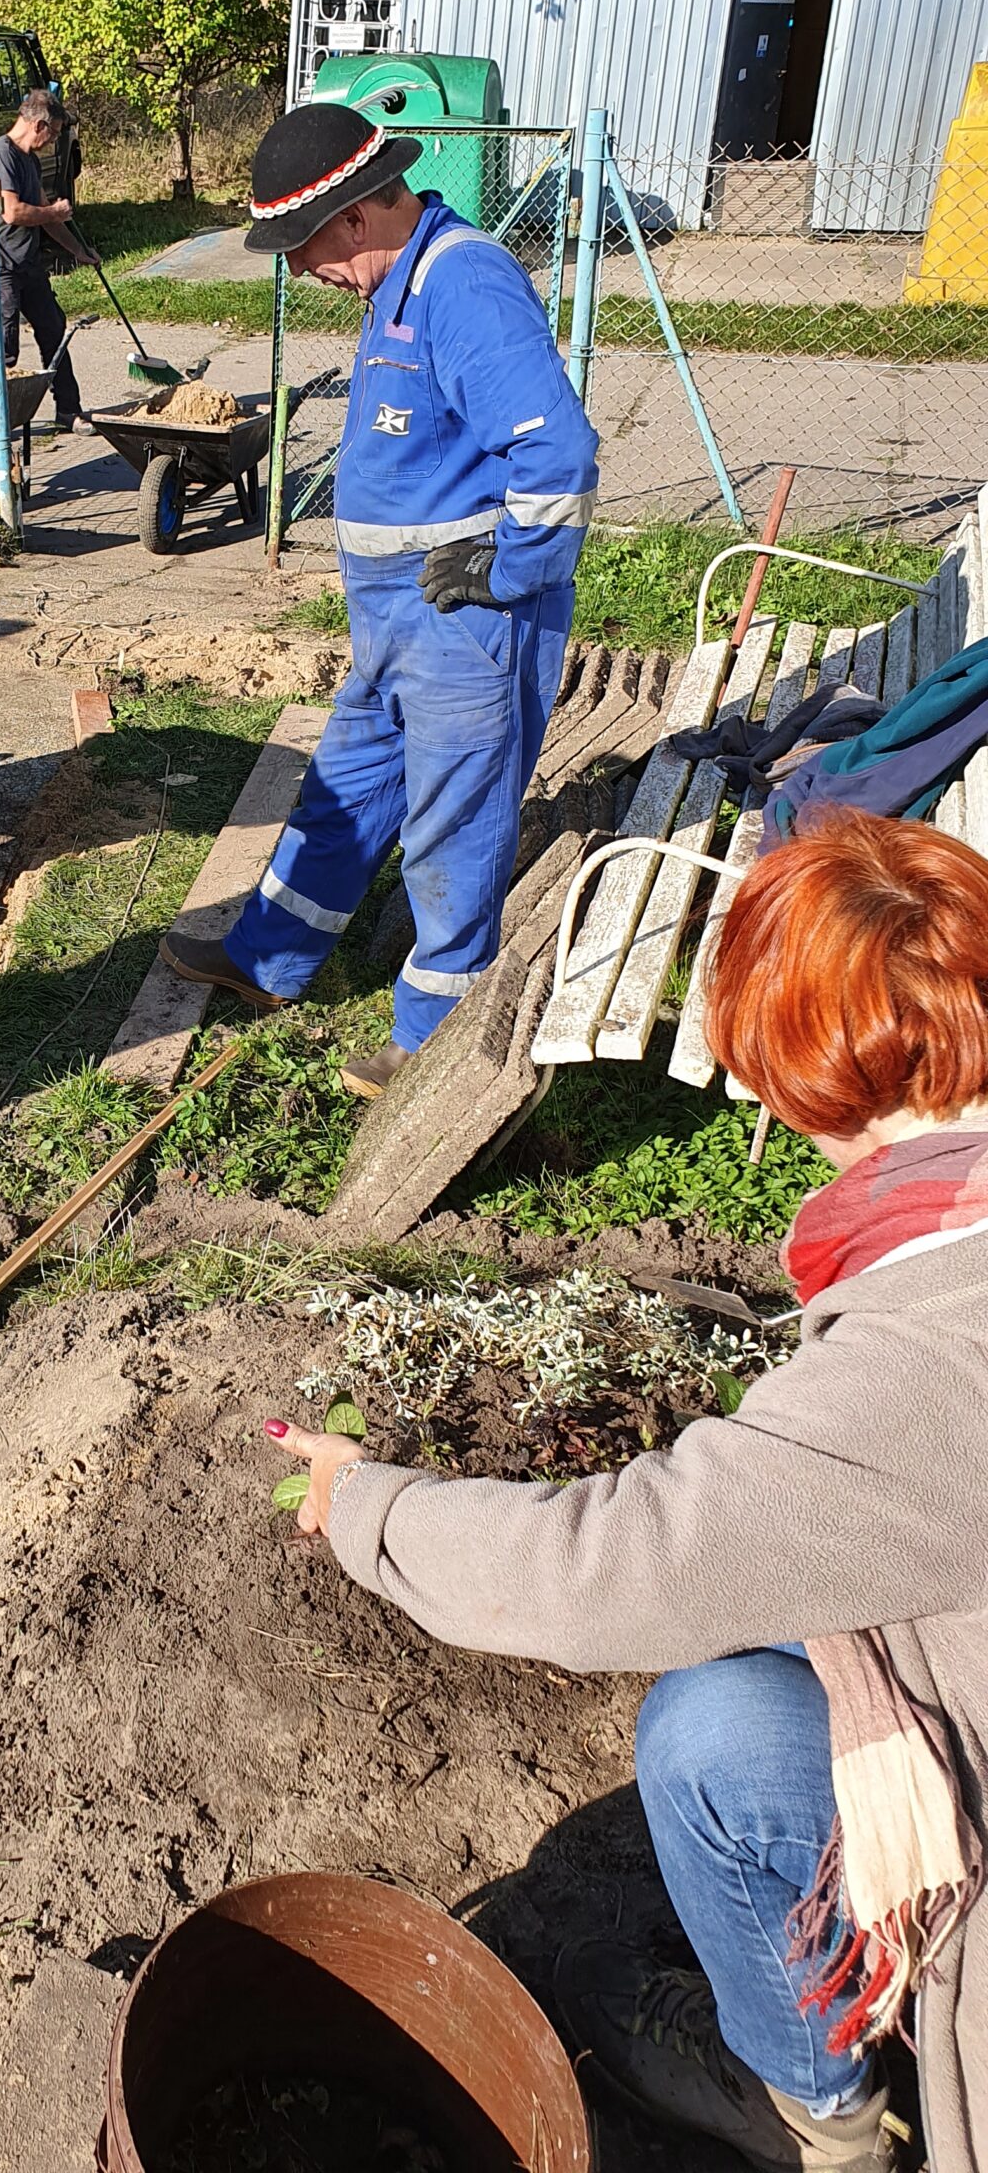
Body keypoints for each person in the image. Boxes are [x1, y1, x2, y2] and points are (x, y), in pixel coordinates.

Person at [269, 804, 988, 2173]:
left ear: (807, 1085)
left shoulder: (937, 1359)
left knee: (709, 1738)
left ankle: (822, 2115)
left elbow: (620, 1565)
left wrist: (369, 1504)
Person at [162, 100, 600, 1097]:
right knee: (345, 790)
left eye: (299, 245)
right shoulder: (399, 284)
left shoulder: (464, 284)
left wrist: (508, 571)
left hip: (465, 621)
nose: (296, 268)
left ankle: (434, 1033)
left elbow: (558, 453)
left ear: (356, 214)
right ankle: (269, 959)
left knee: (454, 822)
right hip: (397, 619)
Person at [0, 87, 89, 435]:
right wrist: (55, 211)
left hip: (28, 262)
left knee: (53, 330)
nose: (54, 141)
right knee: (5, 347)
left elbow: (45, 215)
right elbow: (13, 212)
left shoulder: (30, 160)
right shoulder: (1, 154)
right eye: (55, 133)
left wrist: (77, 250)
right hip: (0, 265)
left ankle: (68, 410)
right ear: (39, 125)